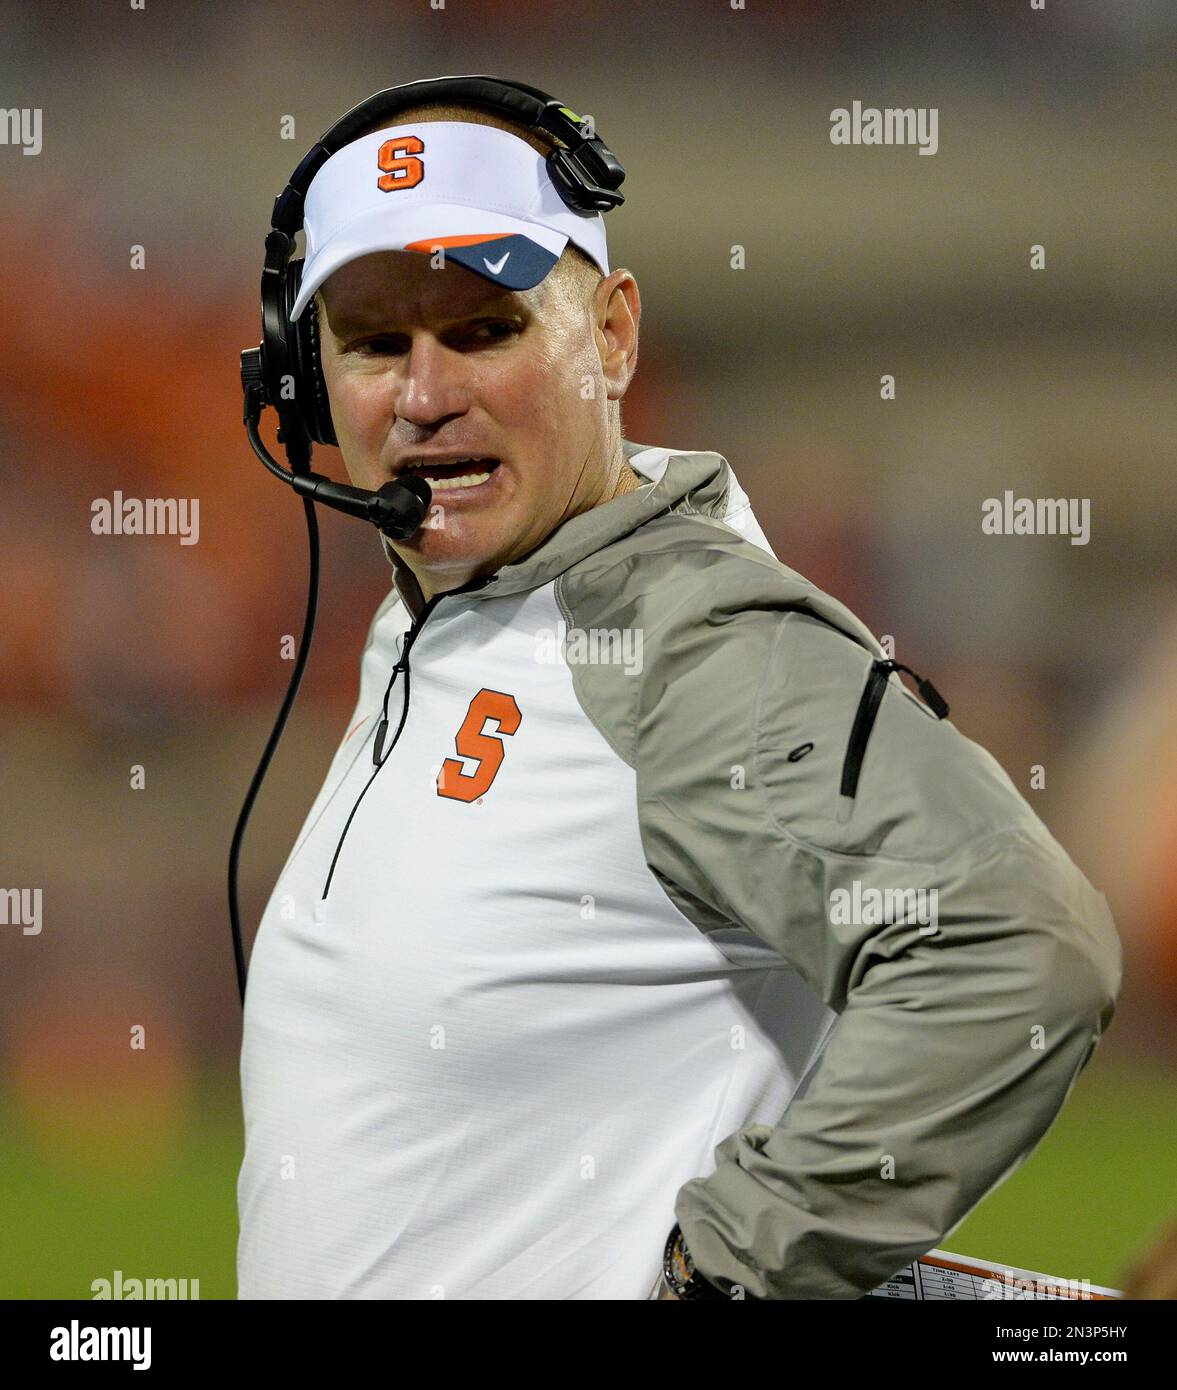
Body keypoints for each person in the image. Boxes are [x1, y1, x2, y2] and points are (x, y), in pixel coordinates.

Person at [236, 90, 1122, 1301]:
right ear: (305, 377)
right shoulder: (452, 602)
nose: (423, 393)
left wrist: (729, 1272)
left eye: (485, 330)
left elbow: (1017, 945)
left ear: (609, 335)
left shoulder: (684, 644)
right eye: (374, 342)